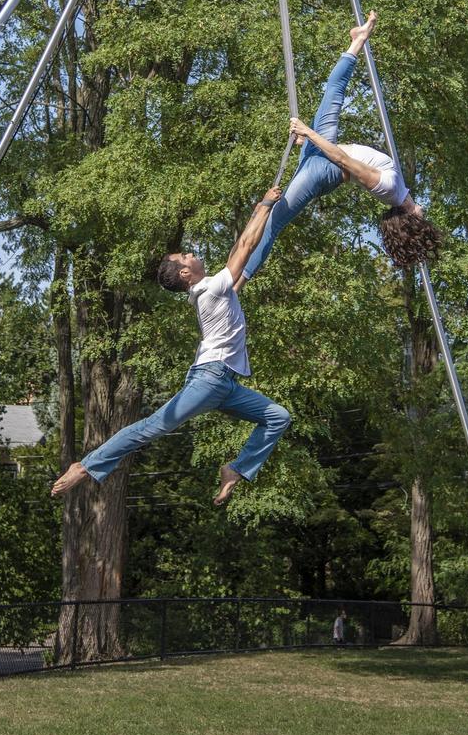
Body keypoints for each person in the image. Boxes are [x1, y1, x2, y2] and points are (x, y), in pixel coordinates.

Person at [50, 185, 292, 506]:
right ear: (185, 272)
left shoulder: (216, 287)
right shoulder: (210, 290)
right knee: (151, 427)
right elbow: (245, 247)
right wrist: (265, 204)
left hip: (227, 384)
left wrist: (264, 215)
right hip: (210, 380)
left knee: (278, 417)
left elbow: (243, 250)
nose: (190, 253)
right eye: (185, 256)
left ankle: (235, 470)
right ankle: (86, 466)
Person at [238, 11, 443, 284]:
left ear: (411, 220)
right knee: (334, 89)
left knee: (273, 223)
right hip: (321, 152)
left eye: (422, 220)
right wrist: (308, 140)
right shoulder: (399, 189)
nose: (425, 214)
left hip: (325, 169)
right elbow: (347, 152)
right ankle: (358, 39)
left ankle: (236, 283)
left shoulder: (389, 188)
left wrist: (308, 133)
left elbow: (343, 160)